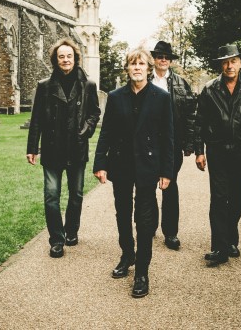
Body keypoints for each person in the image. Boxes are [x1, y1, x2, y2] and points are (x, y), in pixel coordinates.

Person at [93, 47, 174, 298]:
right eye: (132, 64)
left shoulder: (160, 97)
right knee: (123, 212)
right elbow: (105, 132)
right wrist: (100, 163)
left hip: (148, 165)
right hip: (121, 164)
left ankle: (142, 271)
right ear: (127, 68)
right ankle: (127, 254)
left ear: (148, 68)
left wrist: (166, 171)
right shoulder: (117, 97)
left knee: (145, 217)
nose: (137, 67)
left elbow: (167, 137)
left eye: (141, 64)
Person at [194, 43, 241, 265]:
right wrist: (200, 152)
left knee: (236, 198)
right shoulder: (210, 89)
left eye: (233, 61)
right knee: (219, 198)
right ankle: (219, 247)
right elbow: (200, 123)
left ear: (240, 63)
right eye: (225, 62)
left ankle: (230, 240)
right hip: (217, 151)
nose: (229, 65)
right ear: (220, 65)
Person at [26, 38, 100, 258]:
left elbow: (95, 113)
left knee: (76, 194)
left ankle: (71, 231)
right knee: (51, 196)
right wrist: (32, 148)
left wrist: (85, 130)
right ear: (55, 60)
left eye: (69, 56)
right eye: (61, 56)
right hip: (52, 149)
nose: (65, 60)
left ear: (75, 58)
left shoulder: (88, 85)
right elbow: (36, 118)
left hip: (76, 148)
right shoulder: (45, 86)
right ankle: (56, 240)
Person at [150, 40, 196, 250]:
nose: (163, 60)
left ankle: (171, 233)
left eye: (167, 57)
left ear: (170, 60)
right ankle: (149, 226)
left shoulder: (180, 83)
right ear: (154, 59)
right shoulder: (144, 80)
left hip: (172, 143)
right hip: (148, 143)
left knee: (171, 186)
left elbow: (189, 115)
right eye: (160, 56)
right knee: (147, 186)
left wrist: (188, 142)